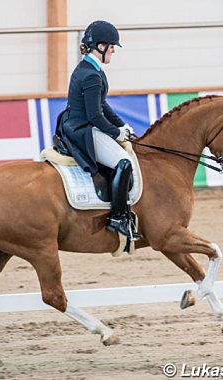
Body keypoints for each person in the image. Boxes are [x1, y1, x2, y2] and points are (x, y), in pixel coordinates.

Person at [55, 20, 142, 241]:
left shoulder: (89, 68)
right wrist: (115, 133)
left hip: (76, 122)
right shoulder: (92, 75)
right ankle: (119, 218)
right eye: (112, 47)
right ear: (101, 46)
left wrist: (121, 125)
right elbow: (94, 115)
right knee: (124, 162)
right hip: (82, 129)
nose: (113, 51)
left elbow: (103, 105)